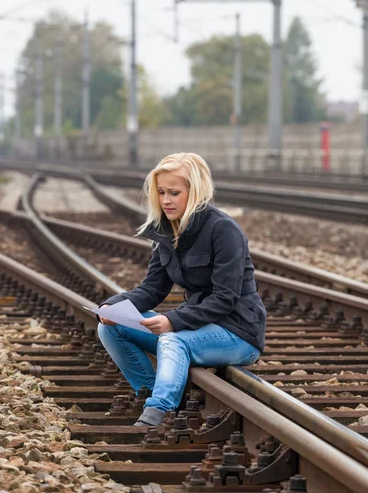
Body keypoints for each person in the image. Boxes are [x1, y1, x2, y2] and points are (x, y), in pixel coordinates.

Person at [97, 152, 266, 427]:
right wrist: (113, 305)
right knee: (111, 327)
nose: (165, 200)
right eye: (161, 192)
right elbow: (152, 289)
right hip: (199, 328)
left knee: (172, 339)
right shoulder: (166, 232)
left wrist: (172, 321)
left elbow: (225, 298)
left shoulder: (224, 230)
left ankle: (159, 413)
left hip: (238, 332)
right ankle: (150, 391)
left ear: (196, 191)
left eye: (174, 192)